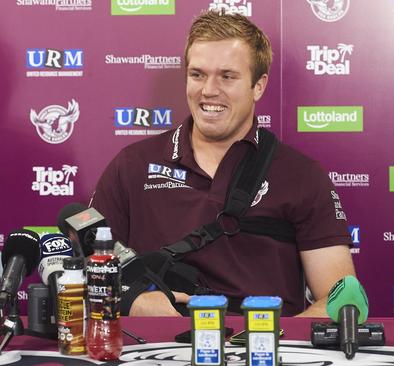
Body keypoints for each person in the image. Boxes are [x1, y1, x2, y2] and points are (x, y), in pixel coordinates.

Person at [91, 10, 355, 317]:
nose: (208, 90)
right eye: (198, 74)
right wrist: (132, 301)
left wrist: (265, 339)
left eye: (227, 76)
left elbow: (341, 300)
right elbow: (86, 271)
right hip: (156, 352)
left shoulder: (302, 175)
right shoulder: (132, 165)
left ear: (259, 85)